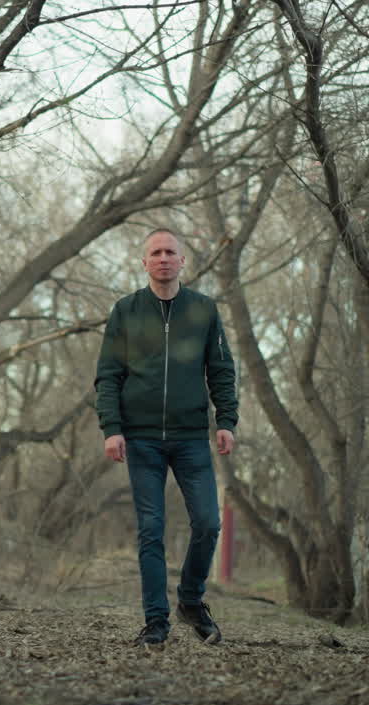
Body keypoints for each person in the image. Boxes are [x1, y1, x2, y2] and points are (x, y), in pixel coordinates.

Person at [94, 228, 238, 648]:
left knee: (208, 523)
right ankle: (156, 622)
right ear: (144, 262)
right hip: (141, 440)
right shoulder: (126, 311)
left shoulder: (203, 310)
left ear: (182, 261)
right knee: (151, 530)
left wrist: (226, 421)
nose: (162, 258)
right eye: (155, 253)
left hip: (191, 437)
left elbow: (222, 370)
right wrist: (112, 428)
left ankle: (190, 601)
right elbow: (108, 375)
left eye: (170, 252)